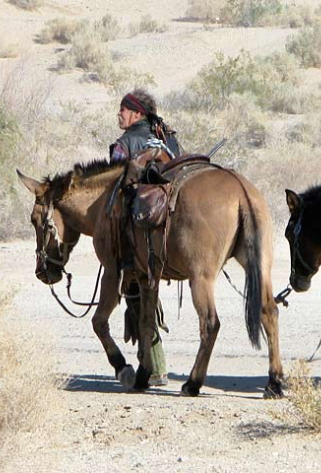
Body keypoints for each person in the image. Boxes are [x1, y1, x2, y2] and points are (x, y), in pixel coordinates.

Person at [110, 89, 179, 387]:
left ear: (137, 113)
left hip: (137, 232)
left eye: (124, 110)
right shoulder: (167, 137)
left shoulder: (124, 144)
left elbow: (114, 187)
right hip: (170, 230)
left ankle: (154, 367)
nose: (119, 115)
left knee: (136, 292)